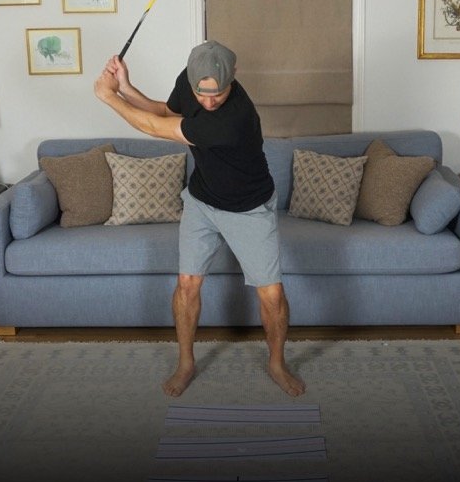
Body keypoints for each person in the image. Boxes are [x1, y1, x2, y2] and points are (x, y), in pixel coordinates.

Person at [93, 40, 305, 397]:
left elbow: (157, 129)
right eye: (201, 94)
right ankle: (186, 362)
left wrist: (110, 98)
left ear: (233, 79)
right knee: (188, 284)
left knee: (272, 294)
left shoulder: (235, 118)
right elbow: (164, 111)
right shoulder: (190, 80)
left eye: (217, 95)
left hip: (249, 208)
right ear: (192, 79)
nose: (207, 102)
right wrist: (127, 88)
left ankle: (276, 363)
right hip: (202, 200)